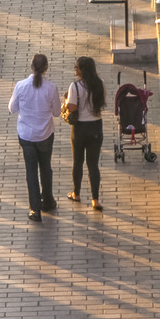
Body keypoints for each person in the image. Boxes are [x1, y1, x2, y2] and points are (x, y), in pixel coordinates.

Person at [10, 53, 62, 222]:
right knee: (45, 167)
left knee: (31, 171)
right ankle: (48, 201)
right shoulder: (51, 88)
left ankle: (35, 209)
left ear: (31, 67)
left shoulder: (21, 85)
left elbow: (12, 108)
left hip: (26, 136)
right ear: (46, 69)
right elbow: (56, 112)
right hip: (45, 134)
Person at [66, 56, 107, 209]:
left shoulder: (74, 87)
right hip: (96, 127)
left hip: (80, 128)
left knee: (77, 162)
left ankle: (76, 194)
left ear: (82, 70)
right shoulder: (100, 84)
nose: (75, 69)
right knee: (93, 164)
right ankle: (95, 200)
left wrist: (66, 100)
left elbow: (72, 107)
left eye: (76, 67)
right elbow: (101, 103)